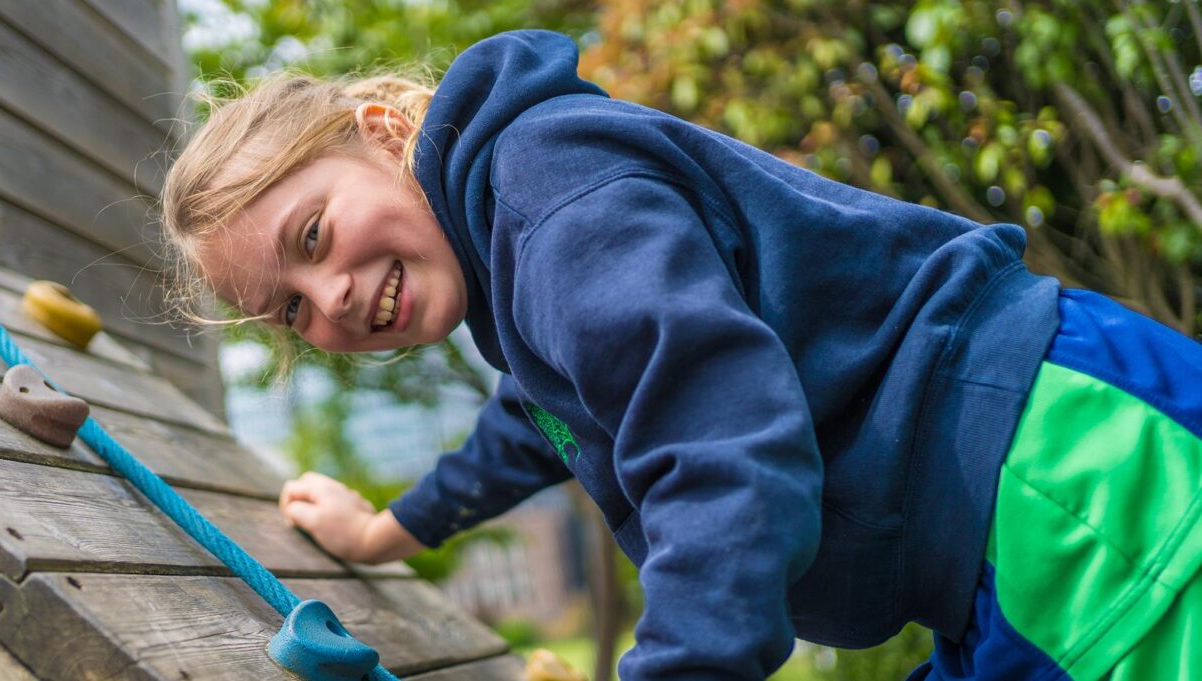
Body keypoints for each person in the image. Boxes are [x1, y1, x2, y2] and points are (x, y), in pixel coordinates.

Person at [158, 29, 1202, 680]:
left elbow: (718, 444)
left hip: (1062, 479)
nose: (330, 295)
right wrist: (396, 527)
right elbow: (547, 411)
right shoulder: (513, 259)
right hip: (983, 554)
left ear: (384, 131)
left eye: (311, 238)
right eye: (290, 312)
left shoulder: (551, 200)